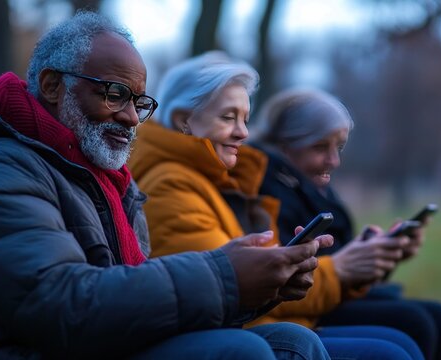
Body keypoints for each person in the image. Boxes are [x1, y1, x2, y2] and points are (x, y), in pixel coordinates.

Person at [0, 12, 335, 360]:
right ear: (52, 86)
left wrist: (259, 286)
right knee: (243, 350)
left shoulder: (107, 179)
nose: (130, 117)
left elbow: (135, 299)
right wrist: (224, 275)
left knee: (292, 342)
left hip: (105, 344)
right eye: (114, 95)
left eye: (139, 102)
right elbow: (61, 308)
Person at [128, 51, 424, 360]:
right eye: (228, 117)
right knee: (392, 348)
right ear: (182, 120)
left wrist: (337, 264)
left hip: (270, 326)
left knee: (403, 337)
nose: (243, 132)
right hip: (243, 335)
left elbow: (260, 270)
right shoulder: (170, 184)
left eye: (245, 118)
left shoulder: (219, 177)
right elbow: (238, 283)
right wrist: (338, 270)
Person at [250, 88, 441, 360]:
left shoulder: (311, 186)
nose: (334, 161)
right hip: (302, 311)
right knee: (415, 323)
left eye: (339, 147)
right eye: (320, 147)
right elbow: (285, 283)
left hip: (331, 296)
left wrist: (382, 255)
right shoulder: (267, 191)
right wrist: (347, 266)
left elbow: (340, 255)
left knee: (437, 317)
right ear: (283, 145)